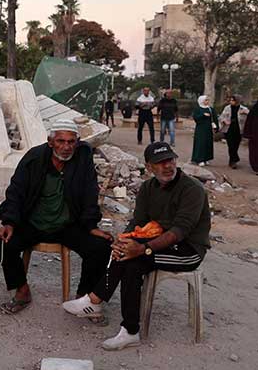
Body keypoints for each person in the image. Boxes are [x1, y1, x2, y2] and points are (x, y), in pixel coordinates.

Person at [62, 142, 211, 351]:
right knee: (128, 258)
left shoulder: (192, 189)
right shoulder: (149, 187)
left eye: (170, 160)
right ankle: (129, 331)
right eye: (160, 163)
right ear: (149, 167)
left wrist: (142, 248)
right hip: (160, 243)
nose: (168, 166)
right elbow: (138, 221)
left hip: (188, 250)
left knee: (134, 257)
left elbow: (180, 232)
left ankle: (95, 301)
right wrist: (123, 240)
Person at [0, 119, 113, 315]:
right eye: (61, 141)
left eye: (71, 142)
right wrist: (9, 222)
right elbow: (16, 191)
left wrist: (91, 225)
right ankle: (22, 291)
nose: (66, 147)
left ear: (77, 142)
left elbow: (90, 192)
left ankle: (84, 298)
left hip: (68, 225)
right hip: (34, 223)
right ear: (50, 142)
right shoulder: (34, 158)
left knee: (100, 247)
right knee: (5, 243)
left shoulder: (82, 157)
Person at [219, 95, 250, 168]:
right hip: (229, 129)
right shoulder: (227, 108)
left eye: (233, 100)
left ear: (237, 101)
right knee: (231, 145)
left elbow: (251, 117)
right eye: (230, 100)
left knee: (235, 146)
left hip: (239, 129)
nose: (231, 102)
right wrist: (224, 121)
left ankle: (232, 160)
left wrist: (246, 113)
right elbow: (221, 117)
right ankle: (234, 160)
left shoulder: (243, 109)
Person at [190, 95, 219, 166]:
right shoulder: (198, 109)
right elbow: (196, 118)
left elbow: (215, 118)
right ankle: (199, 159)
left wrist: (216, 127)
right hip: (200, 129)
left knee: (208, 143)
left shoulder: (210, 109)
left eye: (208, 100)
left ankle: (206, 158)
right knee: (201, 143)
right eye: (206, 100)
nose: (207, 102)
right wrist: (203, 115)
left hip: (208, 129)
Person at [244, 99, 258, 175]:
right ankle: (256, 167)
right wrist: (248, 133)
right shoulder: (255, 108)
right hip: (255, 133)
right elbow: (249, 121)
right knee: (255, 150)